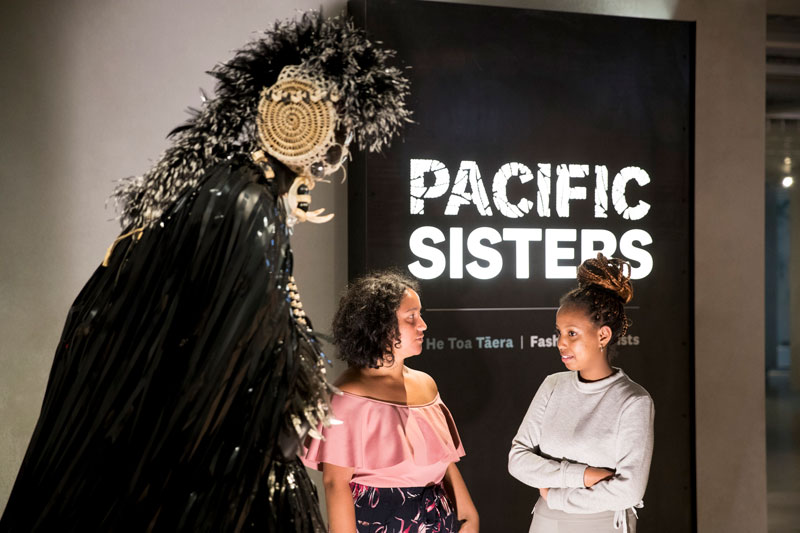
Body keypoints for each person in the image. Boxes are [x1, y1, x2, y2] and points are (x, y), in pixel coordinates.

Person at [0, 12, 410, 532]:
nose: (337, 155)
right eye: (339, 133)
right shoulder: (244, 205)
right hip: (217, 481)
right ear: (302, 116)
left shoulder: (226, 192)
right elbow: (229, 362)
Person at [303, 271, 479, 533]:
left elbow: (443, 461)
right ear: (381, 326)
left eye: (419, 315)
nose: (423, 325)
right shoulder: (347, 396)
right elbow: (334, 483)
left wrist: (469, 517)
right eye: (411, 317)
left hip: (438, 522)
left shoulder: (426, 384)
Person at [508, 253, 654, 533]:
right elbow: (518, 461)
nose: (561, 342)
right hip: (546, 522)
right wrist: (584, 475)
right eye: (559, 332)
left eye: (572, 333)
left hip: (603, 524)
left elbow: (629, 492)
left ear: (603, 336)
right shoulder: (553, 385)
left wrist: (557, 494)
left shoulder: (634, 400)